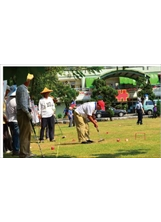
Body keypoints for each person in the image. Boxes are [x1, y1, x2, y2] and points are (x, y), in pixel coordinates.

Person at [16, 73, 35, 158]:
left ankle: (27, 151)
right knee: (24, 133)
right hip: (23, 113)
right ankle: (24, 153)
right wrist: (27, 113)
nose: (30, 82)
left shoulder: (23, 88)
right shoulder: (22, 89)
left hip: (23, 112)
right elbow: (23, 104)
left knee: (27, 133)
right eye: (29, 80)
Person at [6, 85, 20, 156]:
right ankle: (16, 150)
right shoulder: (15, 101)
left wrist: (8, 119)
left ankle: (15, 149)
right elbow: (17, 112)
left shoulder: (8, 100)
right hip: (15, 120)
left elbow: (6, 111)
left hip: (10, 120)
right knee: (16, 136)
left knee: (13, 135)